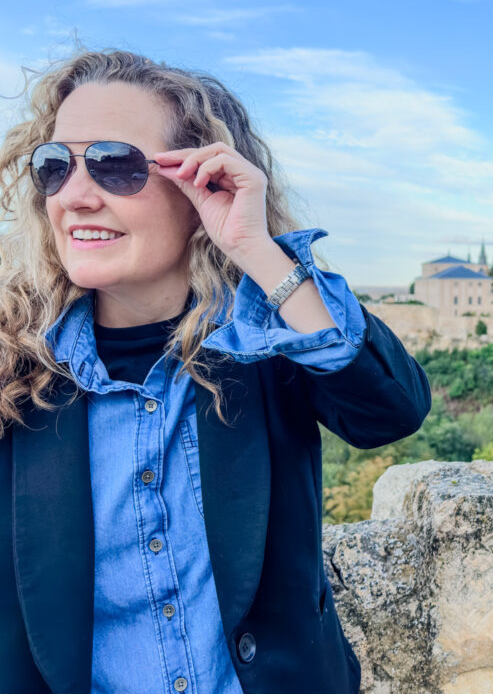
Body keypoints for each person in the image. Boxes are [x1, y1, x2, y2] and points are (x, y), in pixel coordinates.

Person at [0, 47, 431, 694]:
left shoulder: (262, 344)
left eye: (115, 165)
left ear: (204, 182)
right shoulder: (15, 374)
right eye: (54, 167)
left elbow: (389, 412)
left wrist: (257, 251)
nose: (77, 196)